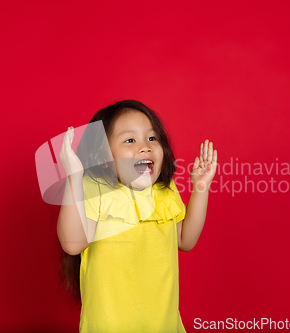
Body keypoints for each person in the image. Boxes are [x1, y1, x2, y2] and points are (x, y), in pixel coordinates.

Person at [56, 99, 217, 332]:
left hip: (164, 325)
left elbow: (185, 241)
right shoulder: (95, 189)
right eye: (130, 140)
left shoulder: (164, 191)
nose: (145, 146)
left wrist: (200, 187)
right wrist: (74, 177)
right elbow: (72, 244)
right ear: (103, 156)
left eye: (152, 138)